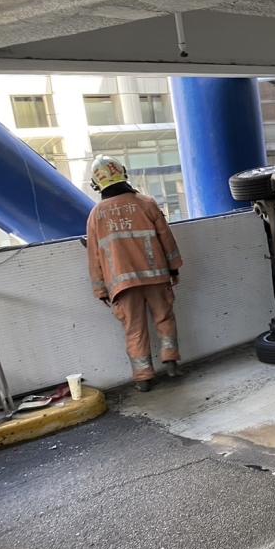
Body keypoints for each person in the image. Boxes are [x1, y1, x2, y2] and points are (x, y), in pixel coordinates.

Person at [86, 155, 183, 391]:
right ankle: (170, 362)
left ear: (97, 184)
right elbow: (166, 239)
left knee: (134, 329)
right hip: (156, 275)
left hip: (121, 286)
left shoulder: (96, 215)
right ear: (124, 174)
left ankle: (143, 378)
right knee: (164, 318)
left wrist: (100, 289)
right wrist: (174, 268)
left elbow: (94, 257)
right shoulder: (146, 203)